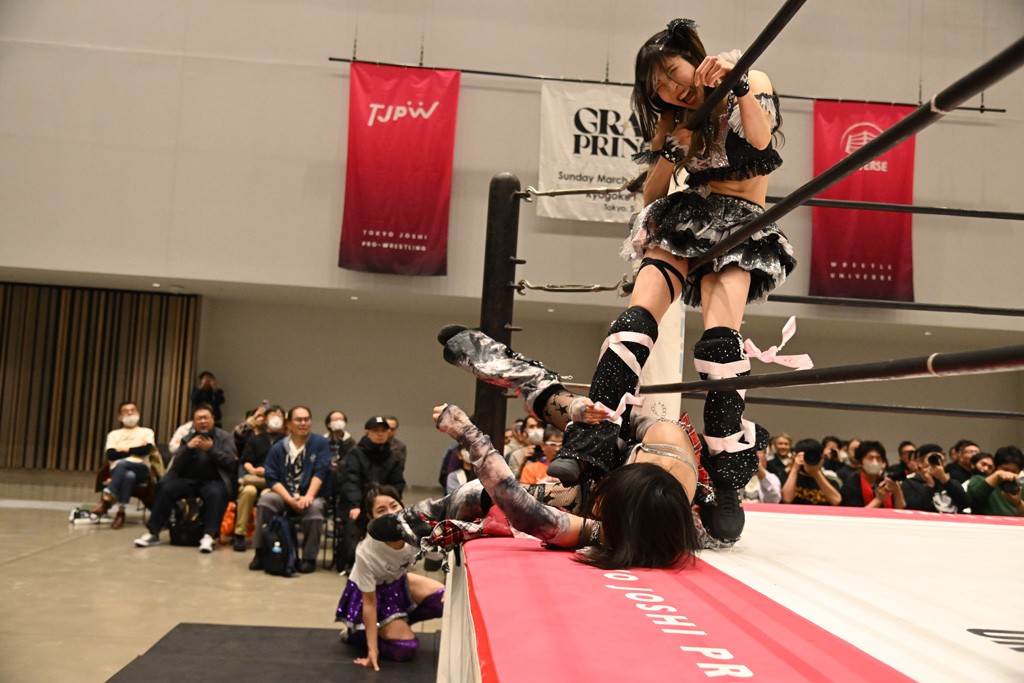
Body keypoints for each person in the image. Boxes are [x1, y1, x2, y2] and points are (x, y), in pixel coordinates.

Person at [546, 18, 797, 519]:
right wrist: (669, 149)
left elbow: (760, 143)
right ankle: (586, 445)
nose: (668, 88)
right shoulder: (672, 115)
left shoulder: (749, 76)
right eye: (656, 84)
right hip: (685, 217)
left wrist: (736, 85)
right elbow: (653, 194)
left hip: (740, 225)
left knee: (720, 345)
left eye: (671, 72)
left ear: (692, 57)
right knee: (635, 321)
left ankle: (725, 484)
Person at [336, 485, 445, 671]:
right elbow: (369, 603)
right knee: (407, 648)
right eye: (381, 510)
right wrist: (372, 651)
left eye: (394, 506)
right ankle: (356, 634)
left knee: (444, 600)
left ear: (402, 505)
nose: (391, 514)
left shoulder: (414, 530)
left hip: (397, 582)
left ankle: (399, 620)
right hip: (369, 595)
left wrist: (432, 534)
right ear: (371, 518)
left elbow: (438, 556)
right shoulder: (365, 552)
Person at [134, 404, 236, 552]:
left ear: (213, 419)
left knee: (216, 493)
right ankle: (153, 532)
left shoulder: (225, 437)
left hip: (214, 480)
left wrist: (211, 449)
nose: (203, 421)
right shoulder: (188, 437)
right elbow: (177, 464)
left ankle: (209, 536)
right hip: (189, 480)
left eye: (206, 418)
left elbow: (230, 462)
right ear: (193, 421)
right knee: (166, 488)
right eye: (199, 418)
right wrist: (188, 448)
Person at [249, 405, 330, 574]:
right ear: (289, 424)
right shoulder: (279, 447)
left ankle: (308, 558)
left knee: (315, 508)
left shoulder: (320, 443)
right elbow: (271, 477)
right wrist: (290, 499)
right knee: (266, 501)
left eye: (306, 419)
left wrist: (308, 496)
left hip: (311, 496)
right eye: (299, 420)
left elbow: (321, 472)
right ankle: (260, 553)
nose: (303, 423)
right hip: (285, 496)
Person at [92, 401, 158, 529]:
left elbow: (146, 450)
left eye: (133, 410)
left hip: (141, 468)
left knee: (123, 464)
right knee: (129, 476)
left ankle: (107, 498)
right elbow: (111, 454)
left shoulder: (146, 432)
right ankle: (121, 512)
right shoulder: (113, 434)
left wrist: (125, 449)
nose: (130, 413)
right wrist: (135, 450)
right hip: (117, 470)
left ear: (138, 414)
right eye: (126, 411)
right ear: (120, 417)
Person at [232, 404, 287, 551]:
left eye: (279, 415)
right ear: (265, 419)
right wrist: (254, 470)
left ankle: (266, 535)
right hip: (256, 477)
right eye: (273, 415)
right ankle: (239, 533)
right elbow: (246, 461)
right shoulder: (255, 439)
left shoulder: (288, 441)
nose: (276, 418)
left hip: (275, 482)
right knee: (248, 491)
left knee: (266, 496)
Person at [901, 444, 971, 514]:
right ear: (920, 463)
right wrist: (930, 486)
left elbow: (965, 503)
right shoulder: (909, 484)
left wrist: (945, 480)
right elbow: (914, 508)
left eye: (941, 459)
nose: (936, 462)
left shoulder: (952, 482)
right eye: (932, 459)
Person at [840, 441, 905, 509]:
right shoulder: (850, 486)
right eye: (870, 458)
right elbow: (856, 514)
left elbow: (900, 509)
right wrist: (879, 499)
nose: (875, 462)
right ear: (860, 463)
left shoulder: (886, 480)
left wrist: (897, 492)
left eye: (878, 458)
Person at [965, 446, 1024, 517]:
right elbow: (973, 500)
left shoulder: (1020, 486)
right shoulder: (979, 479)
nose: (1010, 474)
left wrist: (1018, 504)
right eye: (1005, 470)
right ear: (996, 466)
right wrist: (997, 475)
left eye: (1014, 471)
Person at [781, 439, 841, 506]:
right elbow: (786, 500)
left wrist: (816, 473)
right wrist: (795, 468)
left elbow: (836, 501)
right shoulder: (787, 477)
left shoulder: (830, 478)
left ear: (821, 458)